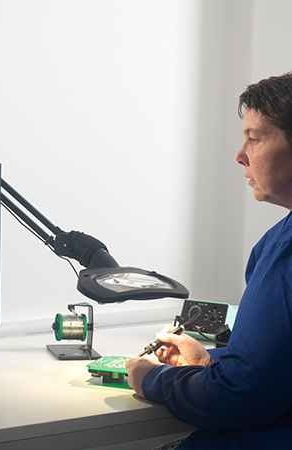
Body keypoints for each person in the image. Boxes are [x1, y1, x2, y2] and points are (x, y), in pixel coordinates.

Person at [126, 72, 292, 449]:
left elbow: (236, 398)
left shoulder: (285, 254)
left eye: (254, 138)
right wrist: (211, 364)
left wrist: (148, 377)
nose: (240, 155)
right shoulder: (277, 243)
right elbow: (276, 372)